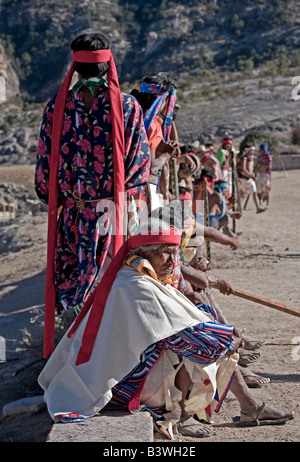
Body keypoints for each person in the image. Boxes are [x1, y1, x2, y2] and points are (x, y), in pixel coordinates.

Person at [38, 224, 294, 440]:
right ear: (145, 254)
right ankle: (185, 416)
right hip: (116, 384)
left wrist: (221, 334)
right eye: (164, 254)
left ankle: (249, 406)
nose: (173, 262)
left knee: (207, 327)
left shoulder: (141, 275)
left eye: (175, 254)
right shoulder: (135, 285)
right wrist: (227, 338)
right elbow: (182, 337)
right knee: (198, 345)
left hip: (127, 367)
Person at [35, 32, 151, 357]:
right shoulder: (126, 106)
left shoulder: (58, 107)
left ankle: (70, 357)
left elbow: (45, 168)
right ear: (107, 64)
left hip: (72, 216)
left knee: (73, 285)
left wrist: (60, 195)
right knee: (110, 284)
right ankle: (105, 359)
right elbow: (140, 163)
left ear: (76, 65)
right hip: (109, 214)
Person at [131, 72, 180, 206]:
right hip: (141, 194)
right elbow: (150, 166)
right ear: (161, 100)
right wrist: (166, 155)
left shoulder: (132, 117)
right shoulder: (152, 125)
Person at [236, 146, 265, 213]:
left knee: (244, 194)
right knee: (251, 192)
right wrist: (251, 175)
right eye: (252, 150)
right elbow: (243, 169)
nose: (253, 152)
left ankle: (238, 208)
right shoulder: (245, 158)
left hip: (248, 178)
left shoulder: (250, 158)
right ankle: (257, 207)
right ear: (249, 151)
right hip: (244, 178)